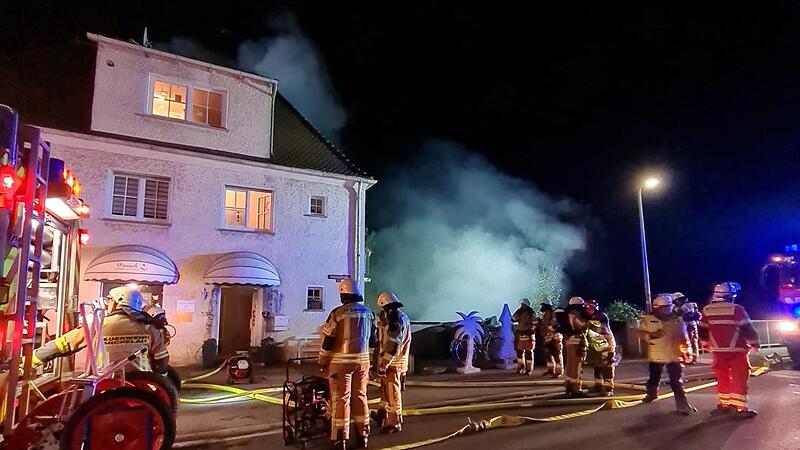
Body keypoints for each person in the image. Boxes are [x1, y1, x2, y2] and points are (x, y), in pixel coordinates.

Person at [32, 286, 169, 375]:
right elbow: (161, 360)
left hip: (104, 384)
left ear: (117, 302)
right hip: (141, 385)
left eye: (110, 301)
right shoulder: (148, 328)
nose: (108, 303)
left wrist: (32, 359)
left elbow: (63, 344)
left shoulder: (97, 324)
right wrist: (161, 379)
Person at [318, 279, 375, 449]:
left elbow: (328, 340)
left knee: (341, 399)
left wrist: (322, 360)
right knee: (360, 396)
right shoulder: (368, 313)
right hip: (363, 363)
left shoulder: (338, 313)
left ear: (343, 294)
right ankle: (363, 436)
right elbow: (373, 341)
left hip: (341, 364)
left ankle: (340, 438)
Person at [698, 282, 759, 419]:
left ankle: (724, 404)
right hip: (737, 351)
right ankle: (739, 408)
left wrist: (706, 344)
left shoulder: (707, 310)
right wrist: (755, 344)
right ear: (730, 296)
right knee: (739, 378)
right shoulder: (737, 309)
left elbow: (702, 330)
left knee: (722, 378)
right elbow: (747, 329)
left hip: (718, 351)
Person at [636, 293, 696, 415]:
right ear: (656, 308)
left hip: (674, 355)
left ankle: (683, 405)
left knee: (676, 381)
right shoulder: (648, 319)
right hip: (656, 354)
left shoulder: (678, 320)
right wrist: (651, 335)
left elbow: (684, 338)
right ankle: (651, 394)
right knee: (654, 377)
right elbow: (641, 333)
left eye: (668, 307)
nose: (666, 310)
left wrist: (688, 353)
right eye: (663, 308)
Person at [373, 291, 411, 434]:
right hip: (395, 362)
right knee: (386, 391)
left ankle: (394, 423)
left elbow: (393, 344)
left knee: (392, 393)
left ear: (386, 307)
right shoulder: (402, 318)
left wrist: (384, 364)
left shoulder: (396, 321)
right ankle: (382, 414)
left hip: (392, 363)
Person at [585, 299, 616, 396]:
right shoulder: (591, 317)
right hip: (598, 346)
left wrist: (587, 325)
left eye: (590, 308)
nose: (588, 310)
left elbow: (599, 328)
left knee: (607, 367)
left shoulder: (601, 316)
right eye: (587, 308)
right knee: (597, 366)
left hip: (606, 344)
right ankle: (598, 386)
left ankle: (608, 389)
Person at [564, 296, 589, 397]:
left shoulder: (567, 314)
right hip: (578, 342)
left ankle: (569, 386)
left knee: (570, 365)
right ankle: (576, 389)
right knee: (577, 366)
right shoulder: (577, 313)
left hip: (569, 341)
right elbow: (581, 326)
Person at [672, 292, 701, 364]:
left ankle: (693, 358)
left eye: (678, 300)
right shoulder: (678, 307)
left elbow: (695, 316)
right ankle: (687, 357)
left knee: (692, 342)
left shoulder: (688, 305)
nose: (677, 302)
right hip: (683, 327)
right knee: (685, 343)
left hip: (690, 326)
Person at [512, 298, 538, 375]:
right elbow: (513, 319)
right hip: (521, 335)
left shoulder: (531, 313)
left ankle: (528, 369)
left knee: (528, 352)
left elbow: (535, 323)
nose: (522, 306)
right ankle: (521, 367)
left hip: (528, 336)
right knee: (519, 352)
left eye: (523, 305)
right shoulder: (519, 312)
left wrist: (530, 331)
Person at [538, 299, 563, 377]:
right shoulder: (545, 314)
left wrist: (549, 329)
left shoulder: (553, 313)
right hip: (548, 337)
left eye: (543, 305)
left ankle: (558, 372)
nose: (541, 307)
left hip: (555, 337)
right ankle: (550, 370)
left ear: (547, 306)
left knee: (557, 354)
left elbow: (555, 325)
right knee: (548, 354)